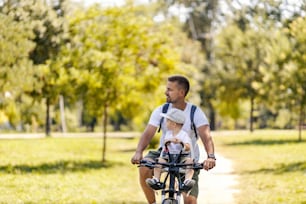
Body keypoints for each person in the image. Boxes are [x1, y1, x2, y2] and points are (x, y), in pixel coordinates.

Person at [131, 75, 216, 204]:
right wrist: (138, 151)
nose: (166, 92)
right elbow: (148, 133)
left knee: (190, 201)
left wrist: (210, 156)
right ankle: (153, 203)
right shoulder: (161, 110)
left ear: (181, 93)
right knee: (144, 167)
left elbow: (206, 136)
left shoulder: (194, 112)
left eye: (170, 89)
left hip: (187, 157)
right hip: (164, 153)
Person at [146, 108, 195, 191]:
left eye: (167, 121)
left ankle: (187, 180)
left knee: (190, 162)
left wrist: (181, 143)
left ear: (174, 124)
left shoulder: (183, 135)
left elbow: (188, 147)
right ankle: (156, 180)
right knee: (159, 161)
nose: (165, 123)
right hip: (169, 157)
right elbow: (165, 143)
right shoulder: (168, 134)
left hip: (181, 158)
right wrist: (168, 141)